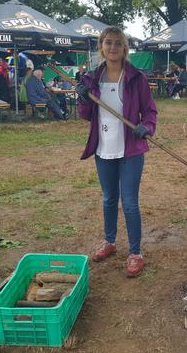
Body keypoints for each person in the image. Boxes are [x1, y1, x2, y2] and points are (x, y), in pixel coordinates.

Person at [76, 26, 158, 278]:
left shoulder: (136, 78)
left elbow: (151, 111)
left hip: (131, 149)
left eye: (117, 43)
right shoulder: (92, 79)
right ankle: (109, 241)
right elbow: (85, 115)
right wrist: (82, 98)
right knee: (109, 198)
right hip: (104, 149)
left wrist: (147, 127)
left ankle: (135, 252)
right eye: (108, 43)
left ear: (125, 48)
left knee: (130, 203)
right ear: (101, 46)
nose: (113, 48)